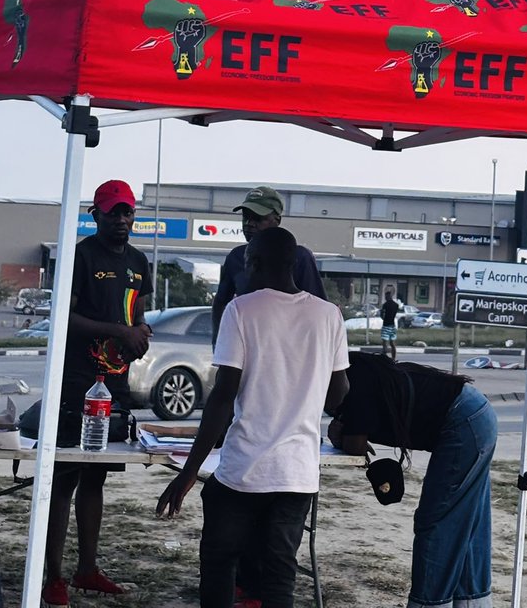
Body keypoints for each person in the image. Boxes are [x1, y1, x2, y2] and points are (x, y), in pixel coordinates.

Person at [156, 227, 349, 608]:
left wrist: (189, 472)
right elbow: (340, 393)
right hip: (297, 475)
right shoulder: (329, 315)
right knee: (279, 576)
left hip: (243, 472)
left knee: (219, 561)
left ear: (253, 264)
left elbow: (223, 397)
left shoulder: (241, 309)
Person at [42, 179, 152, 607]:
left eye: (127, 212)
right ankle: (54, 576)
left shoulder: (140, 261)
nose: (121, 220)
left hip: (115, 384)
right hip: (75, 380)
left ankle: (87, 569)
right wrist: (116, 331)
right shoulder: (81, 256)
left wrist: (140, 335)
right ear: (96, 214)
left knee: (96, 476)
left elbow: (137, 316)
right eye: (113, 212)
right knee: (65, 475)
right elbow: (64, 318)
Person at [328, 353, 497, 608]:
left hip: (464, 420)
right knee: (467, 523)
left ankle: (430, 603)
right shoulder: (357, 369)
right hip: (474, 412)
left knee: (437, 522)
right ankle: (472, 602)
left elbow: (355, 445)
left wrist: (340, 432)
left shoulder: (353, 384)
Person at [211, 185, 326, 344]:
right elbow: (220, 303)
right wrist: (219, 343)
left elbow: (319, 310)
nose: (249, 224)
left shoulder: (299, 257)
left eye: (258, 218)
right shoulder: (236, 257)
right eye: (246, 217)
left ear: (277, 220)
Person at [379, 288, 400, 360]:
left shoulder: (385, 305)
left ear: (387, 296)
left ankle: (384, 358)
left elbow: (382, 315)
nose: (385, 298)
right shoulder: (396, 305)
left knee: (385, 343)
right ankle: (393, 358)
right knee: (392, 343)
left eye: (385, 296)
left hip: (386, 325)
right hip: (393, 325)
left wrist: (383, 317)